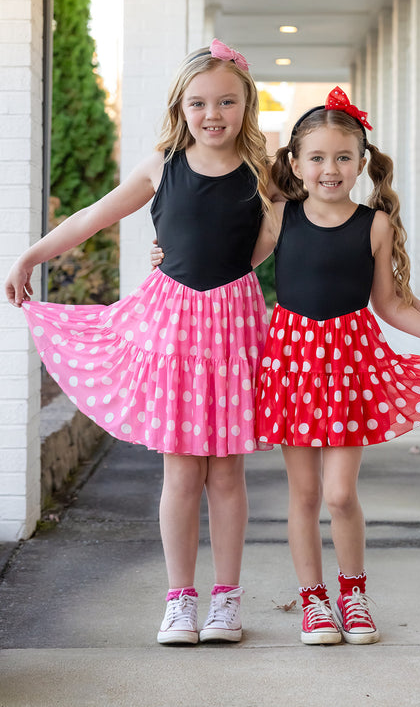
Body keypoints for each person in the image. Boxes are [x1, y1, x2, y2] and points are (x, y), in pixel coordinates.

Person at [4, 39, 274, 646]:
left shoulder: (265, 172)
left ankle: (226, 601)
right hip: (172, 327)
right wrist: (31, 255)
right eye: (198, 102)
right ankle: (180, 600)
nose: (212, 114)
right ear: (181, 107)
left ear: (246, 104)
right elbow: (93, 216)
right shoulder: (162, 166)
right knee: (181, 472)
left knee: (227, 473)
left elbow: (295, 232)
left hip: (233, 328)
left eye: (226, 102)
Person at [251, 87, 420, 646]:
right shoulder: (280, 217)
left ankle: (353, 595)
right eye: (317, 158)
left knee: (339, 494)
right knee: (304, 495)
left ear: (360, 162)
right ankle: (314, 601)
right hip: (292, 365)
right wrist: (167, 256)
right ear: (296, 163)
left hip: (350, 367)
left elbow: (390, 305)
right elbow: (228, 265)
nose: (330, 169)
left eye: (342, 157)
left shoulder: (374, 225)